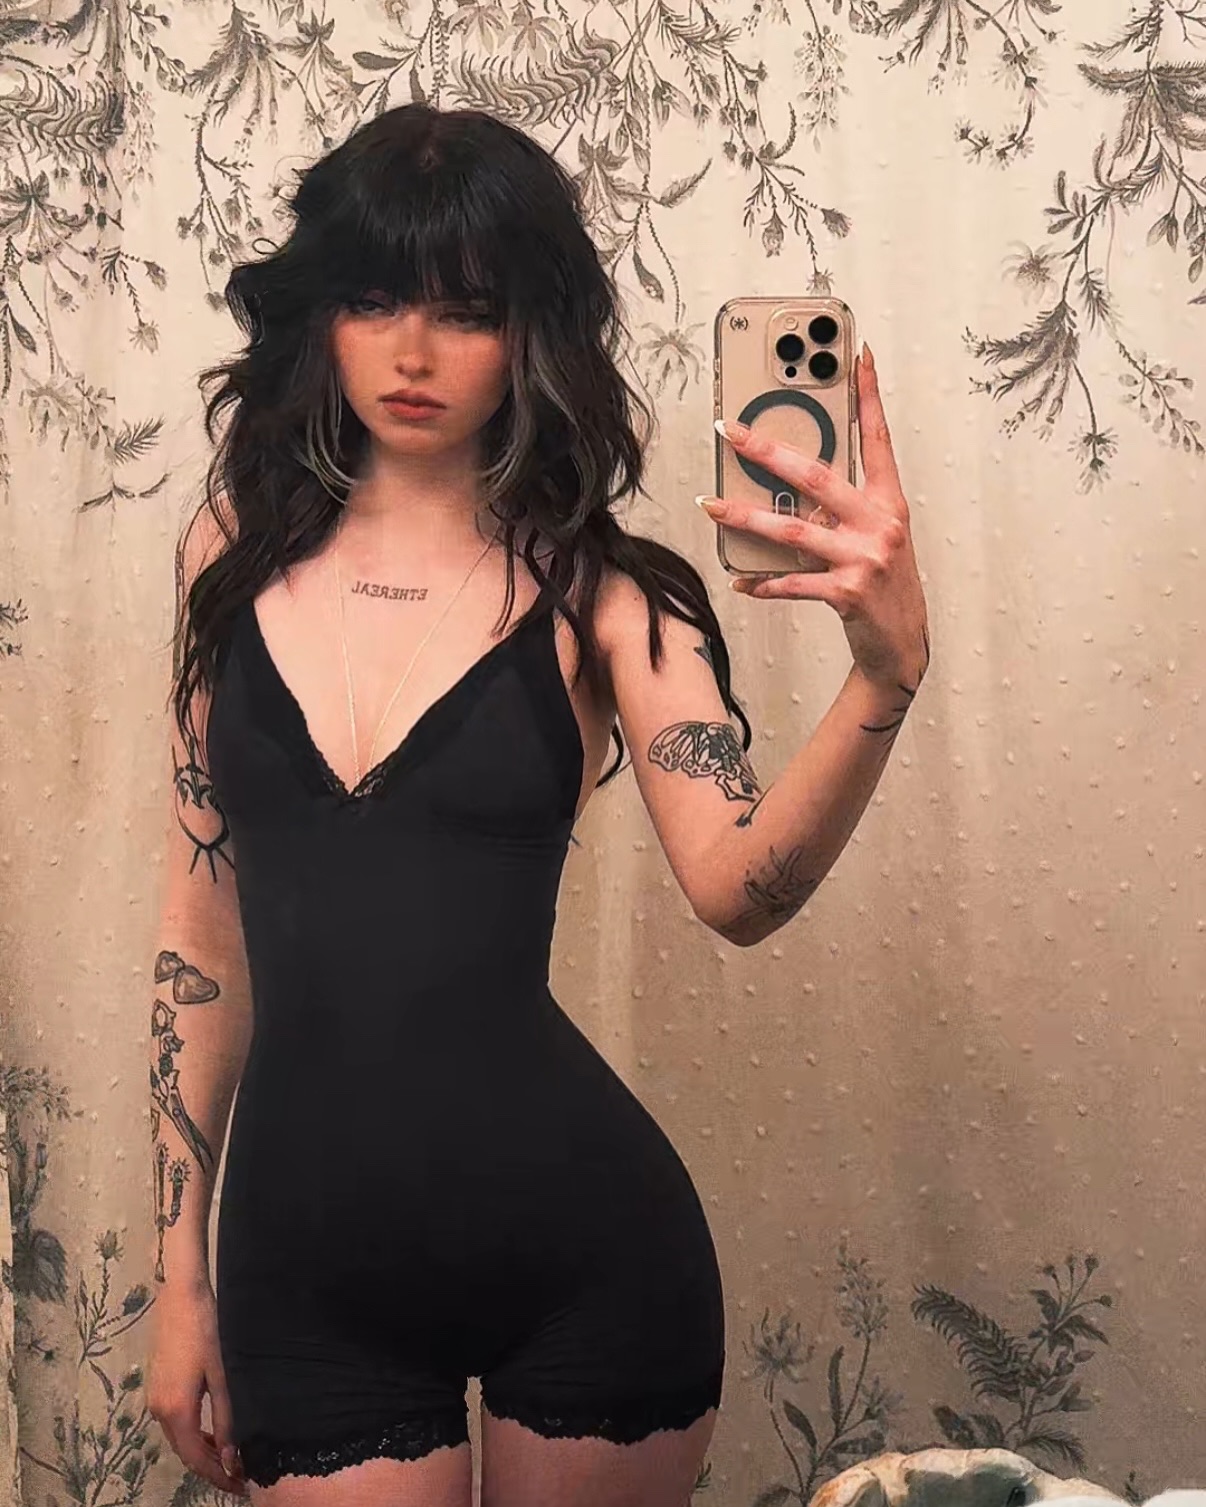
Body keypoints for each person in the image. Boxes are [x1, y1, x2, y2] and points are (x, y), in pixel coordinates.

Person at [146, 103, 928, 1507]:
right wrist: (177, 1279)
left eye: (467, 311)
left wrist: (882, 677)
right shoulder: (230, 558)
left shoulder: (605, 594)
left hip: (585, 1262)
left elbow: (738, 889)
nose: (412, 352)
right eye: (374, 299)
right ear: (321, 314)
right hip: (301, 1271)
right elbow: (201, 941)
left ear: (532, 336)